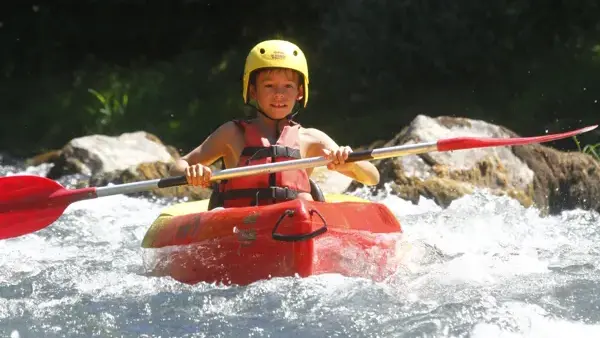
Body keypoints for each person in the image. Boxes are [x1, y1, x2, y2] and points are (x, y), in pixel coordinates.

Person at [169, 39, 379, 208]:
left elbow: (372, 177)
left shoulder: (312, 139)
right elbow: (178, 166)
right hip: (241, 228)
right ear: (253, 91)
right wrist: (191, 171)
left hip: (297, 224)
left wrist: (349, 161)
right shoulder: (231, 134)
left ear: (299, 92)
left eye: (288, 86)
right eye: (269, 85)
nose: (279, 94)